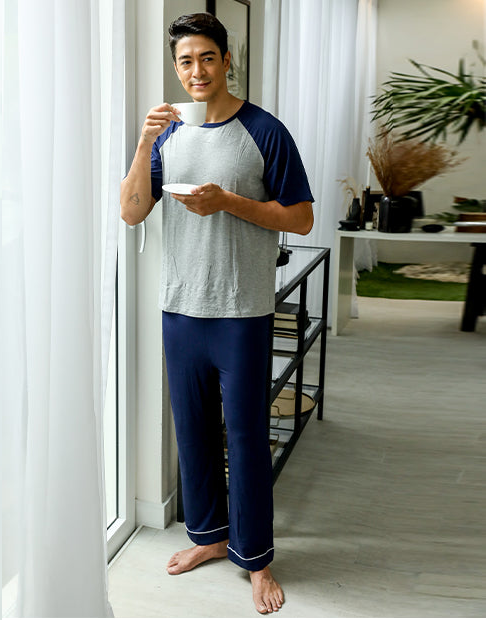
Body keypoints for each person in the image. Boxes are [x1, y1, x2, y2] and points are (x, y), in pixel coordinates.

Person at [120, 12, 314, 614]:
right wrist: (144, 142)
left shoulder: (264, 131)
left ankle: (256, 559)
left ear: (227, 61)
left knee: (247, 435)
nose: (197, 70)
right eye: (186, 61)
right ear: (176, 68)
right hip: (180, 305)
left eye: (207, 57)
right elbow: (131, 211)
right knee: (193, 430)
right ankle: (208, 537)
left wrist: (228, 201)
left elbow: (301, 216)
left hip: (241, 309)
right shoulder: (168, 133)